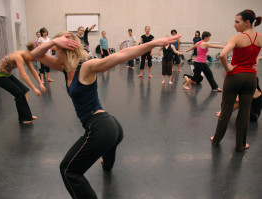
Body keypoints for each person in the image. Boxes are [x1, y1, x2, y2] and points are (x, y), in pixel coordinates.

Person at [31, 31, 181, 199]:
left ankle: (107, 157)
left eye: (56, 48)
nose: (53, 52)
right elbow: (34, 55)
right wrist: (53, 42)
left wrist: (152, 44)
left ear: (64, 50)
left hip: (101, 128)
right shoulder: (64, 67)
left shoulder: (86, 66)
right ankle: (107, 162)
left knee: (68, 170)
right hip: (112, 127)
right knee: (107, 155)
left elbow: (121, 56)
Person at [211, 9, 262, 152]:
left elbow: (222, 55)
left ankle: (216, 140)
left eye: (237, 22)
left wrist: (228, 68)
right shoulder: (260, 37)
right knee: (245, 111)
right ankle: (240, 145)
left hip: (235, 76)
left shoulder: (237, 38)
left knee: (226, 109)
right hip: (251, 77)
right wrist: (256, 61)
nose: (234, 25)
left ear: (247, 23)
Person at [0, 43, 46, 124]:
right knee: (19, 93)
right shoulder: (18, 56)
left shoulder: (26, 56)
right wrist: (35, 88)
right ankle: (23, 118)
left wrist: (40, 83)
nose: (32, 60)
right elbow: (24, 74)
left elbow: (33, 71)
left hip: (7, 75)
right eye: (32, 58)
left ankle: (27, 115)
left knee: (25, 91)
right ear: (29, 53)